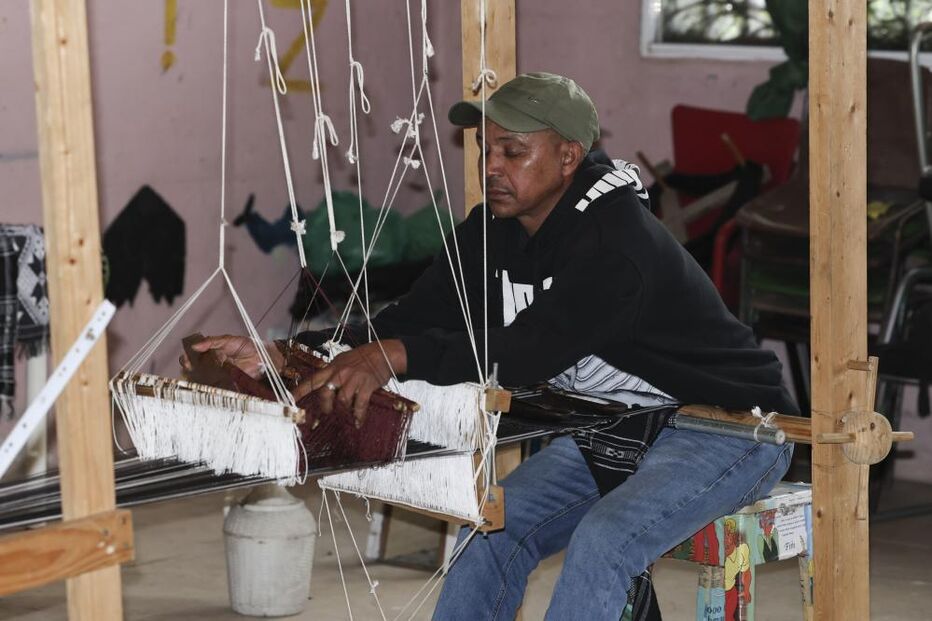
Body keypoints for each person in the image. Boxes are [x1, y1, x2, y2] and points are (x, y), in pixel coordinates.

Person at [189, 72, 797, 620]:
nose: (491, 167)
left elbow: (531, 351)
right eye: (486, 148)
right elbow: (411, 317)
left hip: (728, 431)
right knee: (490, 528)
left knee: (606, 540)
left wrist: (396, 357)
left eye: (513, 151)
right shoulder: (491, 232)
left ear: (567, 157)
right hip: (618, 428)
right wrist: (290, 352)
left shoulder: (618, 244)